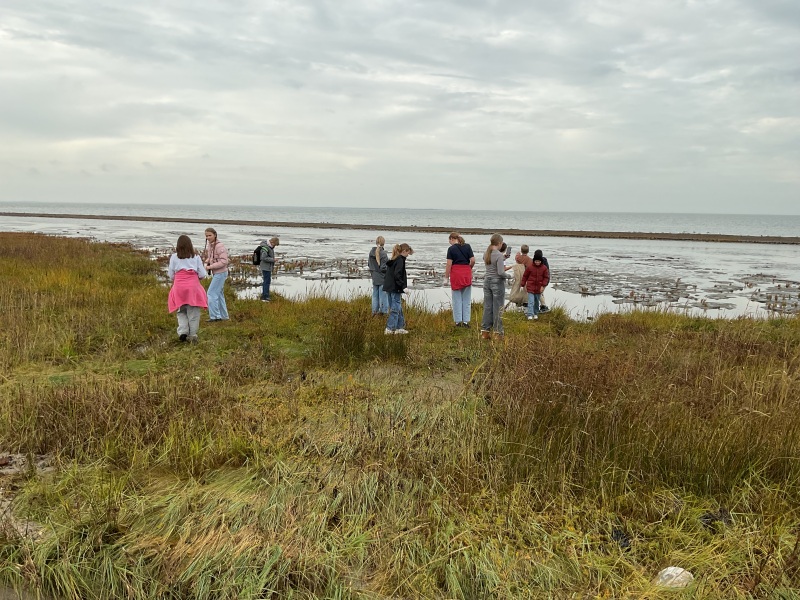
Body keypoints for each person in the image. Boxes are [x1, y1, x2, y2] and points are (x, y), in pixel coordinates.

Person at [167, 235, 208, 343]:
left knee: (181, 311)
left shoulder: (174, 257)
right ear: (190, 245)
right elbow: (202, 274)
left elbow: (171, 274)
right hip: (192, 287)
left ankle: (183, 332)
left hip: (179, 287)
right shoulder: (196, 257)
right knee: (193, 312)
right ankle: (193, 335)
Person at [480, 234, 509, 339]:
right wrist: (509, 276)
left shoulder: (486, 253)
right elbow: (501, 272)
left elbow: (491, 262)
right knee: (498, 308)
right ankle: (498, 332)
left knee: (488, 307)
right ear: (500, 243)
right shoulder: (499, 255)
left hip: (487, 281)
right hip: (497, 282)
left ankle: (485, 331)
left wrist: (502, 258)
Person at [444, 232, 475, 328]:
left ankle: (458, 322)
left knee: (457, 299)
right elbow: (473, 260)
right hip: (466, 273)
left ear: (452, 239)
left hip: (456, 273)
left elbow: (449, 264)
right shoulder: (468, 246)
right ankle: (466, 321)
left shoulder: (451, 249)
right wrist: (469, 268)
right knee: (466, 299)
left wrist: (446, 277)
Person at [383, 243, 413, 334]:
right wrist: (403, 287)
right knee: (395, 309)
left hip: (389, 287)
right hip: (395, 288)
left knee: (397, 307)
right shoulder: (400, 260)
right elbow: (397, 274)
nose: (408, 255)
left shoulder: (394, 259)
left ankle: (399, 327)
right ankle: (390, 328)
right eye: (408, 253)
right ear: (404, 251)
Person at [202, 227, 229, 321]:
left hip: (221, 273)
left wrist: (210, 267)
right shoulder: (210, 245)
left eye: (210, 235)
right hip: (217, 273)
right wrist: (207, 261)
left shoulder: (219, 246)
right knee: (219, 294)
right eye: (206, 236)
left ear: (215, 235)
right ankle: (224, 316)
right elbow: (212, 257)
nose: (208, 237)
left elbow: (224, 261)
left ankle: (215, 317)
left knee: (211, 293)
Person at [520, 249, 550, 320]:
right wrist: (522, 284)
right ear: (534, 260)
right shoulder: (530, 267)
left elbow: (546, 277)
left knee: (536, 302)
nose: (537, 262)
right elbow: (525, 276)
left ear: (541, 261)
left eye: (539, 261)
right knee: (531, 301)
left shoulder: (544, 268)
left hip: (539, 288)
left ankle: (536, 313)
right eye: (536, 261)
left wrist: (543, 285)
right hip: (530, 287)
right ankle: (530, 314)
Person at [368, 236, 389, 316]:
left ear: (376, 242)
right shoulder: (383, 253)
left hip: (374, 277)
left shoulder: (371, 252)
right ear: (384, 243)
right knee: (383, 296)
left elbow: (369, 264)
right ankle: (384, 312)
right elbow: (384, 268)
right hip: (382, 278)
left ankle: (374, 312)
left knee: (375, 296)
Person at [258, 236, 280, 302]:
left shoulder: (269, 247)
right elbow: (263, 258)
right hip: (265, 267)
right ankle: (265, 296)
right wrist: (273, 260)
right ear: (272, 242)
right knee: (266, 282)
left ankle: (264, 295)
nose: (275, 246)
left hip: (267, 267)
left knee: (266, 281)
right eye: (275, 245)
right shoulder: (265, 247)